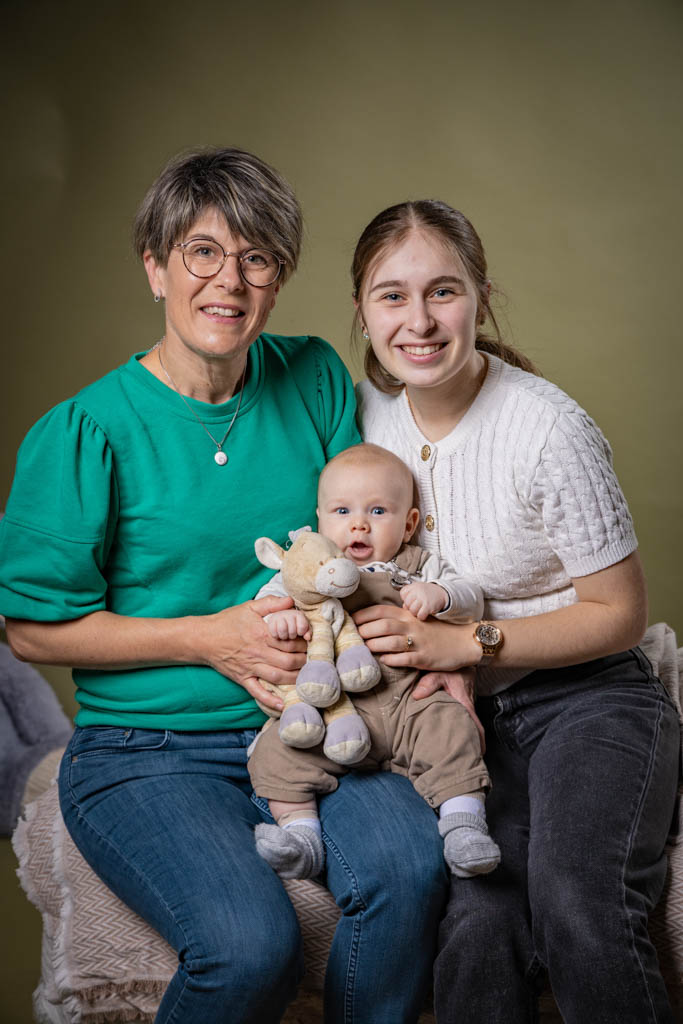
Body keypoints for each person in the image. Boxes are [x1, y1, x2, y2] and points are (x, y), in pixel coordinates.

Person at [0, 150, 449, 1024]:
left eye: (257, 259)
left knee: (410, 871)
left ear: (278, 280)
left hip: (314, 723)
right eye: (202, 253)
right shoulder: (84, 430)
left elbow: (359, 545)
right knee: (249, 947)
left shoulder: (312, 375)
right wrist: (211, 637)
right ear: (155, 268)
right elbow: (32, 629)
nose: (229, 282)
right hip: (147, 749)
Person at [350, 199, 680, 1023]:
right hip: (464, 727)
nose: (418, 322)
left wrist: (464, 643)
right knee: (477, 926)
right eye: (391, 296)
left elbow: (618, 612)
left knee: (576, 899)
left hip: (590, 698)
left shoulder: (546, 428)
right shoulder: (363, 418)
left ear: (481, 298)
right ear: (361, 309)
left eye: (443, 291)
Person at [248, 442, 501, 881]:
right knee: (279, 749)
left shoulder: (418, 565)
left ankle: (464, 828)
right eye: (342, 511)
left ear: (409, 524)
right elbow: (268, 600)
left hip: (410, 705)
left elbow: (472, 598)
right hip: (337, 713)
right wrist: (282, 617)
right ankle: (301, 837)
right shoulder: (309, 568)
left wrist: (440, 596)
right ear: (320, 520)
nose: (359, 524)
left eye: (378, 511)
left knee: (453, 729)